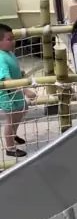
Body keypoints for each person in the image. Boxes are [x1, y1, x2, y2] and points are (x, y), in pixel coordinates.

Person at [0, 24, 36, 159]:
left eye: (13, 38)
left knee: (23, 108)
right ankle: (10, 148)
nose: (13, 42)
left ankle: (13, 135)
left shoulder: (8, 53)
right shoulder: (1, 58)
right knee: (10, 120)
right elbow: (7, 79)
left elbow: (12, 70)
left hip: (16, 92)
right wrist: (26, 91)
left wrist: (20, 73)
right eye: (9, 39)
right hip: (8, 95)